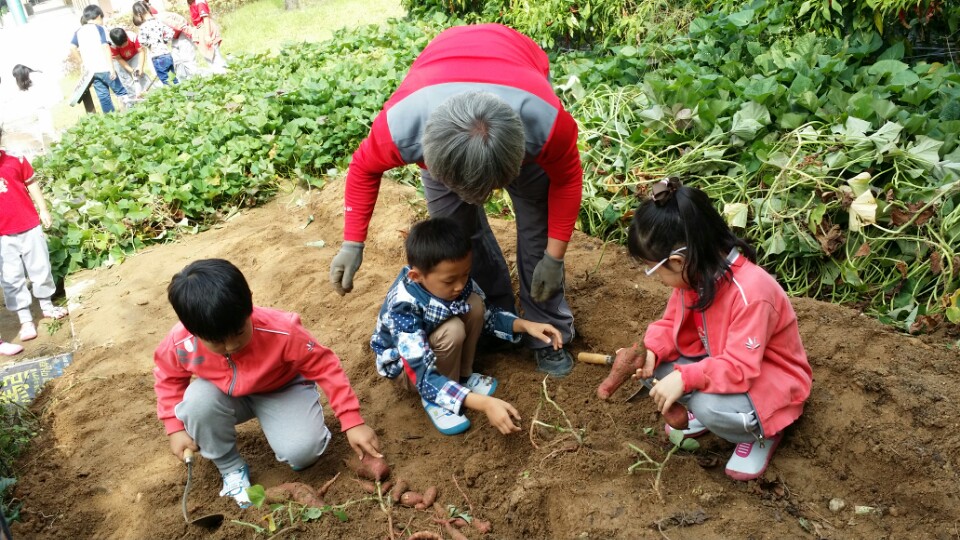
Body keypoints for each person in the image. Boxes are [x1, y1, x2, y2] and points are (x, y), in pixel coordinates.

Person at [330, 23, 583, 378]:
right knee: (457, 236)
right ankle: (494, 315)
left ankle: (548, 332)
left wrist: (554, 258)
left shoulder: (545, 123)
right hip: (441, 102)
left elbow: (568, 179)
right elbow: (362, 169)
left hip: (514, 69)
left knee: (537, 230)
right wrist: (352, 242)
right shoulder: (402, 127)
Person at [621, 178, 813, 481]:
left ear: (677, 261)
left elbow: (740, 367)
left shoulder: (752, 292)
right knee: (655, 370)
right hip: (723, 363)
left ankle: (762, 433)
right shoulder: (695, 275)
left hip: (768, 381)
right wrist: (652, 352)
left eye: (653, 270)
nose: (654, 279)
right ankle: (720, 412)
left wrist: (685, 378)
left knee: (704, 402)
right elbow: (671, 323)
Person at [154, 259, 383, 508]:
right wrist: (174, 427)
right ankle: (230, 468)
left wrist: (352, 420)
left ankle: (292, 428)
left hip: (281, 388)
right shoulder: (180, 342)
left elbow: (326, 367)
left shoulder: (282, 331)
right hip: (223, 395)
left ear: (250, 303)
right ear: (192, 330)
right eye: (217, 342)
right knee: (196, 402)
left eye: (239, 333)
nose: (231, 346)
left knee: (303, 453)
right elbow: (168, 378)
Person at [371, 218, 563, 435]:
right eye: (449, 280)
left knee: (474, 304)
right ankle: (436, 401)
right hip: (409, 370)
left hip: (433, 345)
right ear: (416, 276)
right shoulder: (403, 308)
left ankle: (461, 376)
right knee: (452, 330)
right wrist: (485, 404)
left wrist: (525, 325)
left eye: (465, 274)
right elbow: (420, 373)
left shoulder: (456, 284)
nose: (460, 285)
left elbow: (489, 316)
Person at [0, 127, 70, 348]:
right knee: (11, 277)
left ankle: (47, 306)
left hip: (29, 224)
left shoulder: (15, 160)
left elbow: (31, 183)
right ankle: (25, 320)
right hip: (3, 234)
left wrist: (44, 209)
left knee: (40, 266)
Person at [69, 5, 130, 113]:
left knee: (103, 97)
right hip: (104, 67)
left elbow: (72, 47)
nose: (102, 21)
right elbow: (105, 46)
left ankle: (110, 120)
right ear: (98, 16)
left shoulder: (79, 31)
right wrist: (111, 68)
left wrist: (81, 62)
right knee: (121, 92)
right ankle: (128, 113)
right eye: (102, 18)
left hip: (92, 71)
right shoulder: (99, 29)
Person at [131, 1, 178, 85]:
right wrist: (164, 41)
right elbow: (171, 32)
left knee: (166, 81)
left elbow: (142, 41)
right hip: (167, 54)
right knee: (173, 78)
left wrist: (150, 44)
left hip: (157, 57)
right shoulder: (158, 22)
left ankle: (174, 97)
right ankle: (182, 95)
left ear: (138, 14)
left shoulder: (143, 27)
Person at [187, 0, 227, 74]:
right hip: (200, 29)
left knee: (214, 57)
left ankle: (224, 76)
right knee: (209, 58)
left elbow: (206, 18)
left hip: (205, 28)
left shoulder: (199, 2)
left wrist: (207, 35)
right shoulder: (192, 3)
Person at [108, 28, 151, 96]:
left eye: (124, 43)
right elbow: (119, 59)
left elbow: (141, 51)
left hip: (134, 55)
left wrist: (140, 67)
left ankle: (150, 91)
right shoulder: (111, 45)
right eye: (120, 46)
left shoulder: (132, 36)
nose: (123, 47)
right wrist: (131, 70)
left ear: (126, 37)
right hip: (120, 60)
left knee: (139, 74)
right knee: (126, 79)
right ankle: (134, 97)